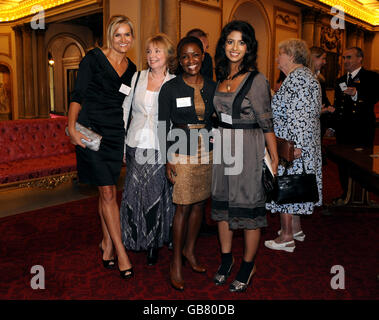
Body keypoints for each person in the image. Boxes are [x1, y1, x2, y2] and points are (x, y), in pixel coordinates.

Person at [211, 20, 278, 293]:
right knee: (223, 208)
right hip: (223, 148)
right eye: (229, 41)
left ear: (249, 47)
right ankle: (226, 260)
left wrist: (273, 156)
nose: (234, 47)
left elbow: (267, 122)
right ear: (223, 45)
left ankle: (248, 266)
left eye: (241, 42)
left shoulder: (257, 80)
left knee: (249, 210)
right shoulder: (221, 77)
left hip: (248, 149)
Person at [67, 15, 136, 279]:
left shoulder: (132, 69)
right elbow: (78, 94)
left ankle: (106, 244)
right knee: (108, 192)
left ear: (132, 37)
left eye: (127, 34)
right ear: (110, 36)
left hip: (115, 133)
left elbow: (129, 105)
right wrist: (72, 128)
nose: (123, 40)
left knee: (105, 189)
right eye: (117, 34)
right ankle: (121, 252)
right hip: (90, 132)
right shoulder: (93, 59)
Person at [158, 36, 216, 291]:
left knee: (199, 204)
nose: (190, 61)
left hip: (208, 150)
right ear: (179, 61)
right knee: (182, 206)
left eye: (195, 55)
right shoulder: (170, 88)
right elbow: (162, 125)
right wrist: (167, 158)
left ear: (203, 56)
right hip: (181, 151)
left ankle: (190, 252)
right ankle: (175, 262)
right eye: (184, 57)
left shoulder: (213, 86)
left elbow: (219, 119)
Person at [120, 33, 176, 266]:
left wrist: (174, 151)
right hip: (135, 143)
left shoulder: (174, 82)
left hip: (158, 146)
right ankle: (133, 238)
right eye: (149, 51)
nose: (152, 56)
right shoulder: (136, 77)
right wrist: (122, 143)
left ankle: (153, 243)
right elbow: (125, 109)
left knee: (154, 195)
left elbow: (176, 118)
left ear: (168, 56)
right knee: (133, 194)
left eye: (157, 51)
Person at [265, 39, 322, 252]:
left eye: (280, 54)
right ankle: (296, 229)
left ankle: (287, 236)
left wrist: (295, 146)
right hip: (302, 144)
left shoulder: (297, 79)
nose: (277, 58)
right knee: (297, 186)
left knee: (287, 185)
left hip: (293, 145)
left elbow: (299, 117)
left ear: (290, 55)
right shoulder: (305, 76)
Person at [332, 47, 379, 205]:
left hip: (362, 128)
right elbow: (338, 105)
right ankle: (346, 194)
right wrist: (332, 126)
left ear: (360, 59)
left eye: (349, 57)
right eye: (344, 58)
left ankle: (361, 197)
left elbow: (374, 97)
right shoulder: (340, 80)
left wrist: (357, 95)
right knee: (343, 164)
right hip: (344, 130)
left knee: (362, 163)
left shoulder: (371, 77)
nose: (345, 61)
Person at [309, 46, 335, 140]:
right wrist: (320, 110)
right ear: (313, 58)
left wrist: (329, 109)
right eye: (323, 58)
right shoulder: (304, 78)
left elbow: (324, 99)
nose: (325, 62)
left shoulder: (321, 79)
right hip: (307, 126)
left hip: (319, 123)